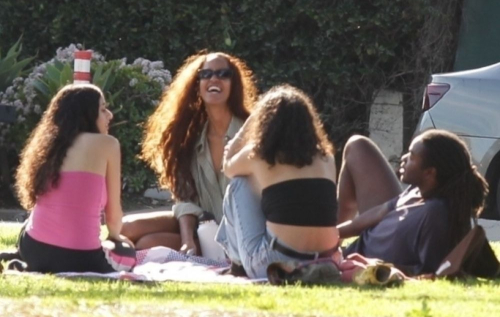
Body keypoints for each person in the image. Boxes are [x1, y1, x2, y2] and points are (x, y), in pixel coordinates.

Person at [121, 51, 258, 253]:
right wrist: (188, 241)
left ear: (234, 84)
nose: (214, 79)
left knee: (146, 245)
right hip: (203, 229)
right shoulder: (188, 138)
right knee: (127, 228)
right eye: (206, 74)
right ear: (197, 84)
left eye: (223, 74)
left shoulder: (252, 132)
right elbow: (185, 198)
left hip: (242, 234)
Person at [215, 85, 339, 279]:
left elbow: (227, 167)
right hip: (326, 260)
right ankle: (237, 261)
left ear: (266, 122)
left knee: (239, 183)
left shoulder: (258, 155)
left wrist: (249, 123)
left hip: (277, 264)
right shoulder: (326, 158)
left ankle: (237, 265)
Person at [15, 84, 135, 273]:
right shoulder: (108, 144)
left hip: (33, 251)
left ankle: (16, 255)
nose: (110, 115)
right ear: (86, 114)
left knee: (29, 224)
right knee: (127, 252)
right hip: (81, 258)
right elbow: (113, 218)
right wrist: (116, 238)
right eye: (103, 109)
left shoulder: (48, 145)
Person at [336, 130, 488, 275]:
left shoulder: (435, 213)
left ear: (429, 172)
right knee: (357, 145)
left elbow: (429, 270)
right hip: (359, 244)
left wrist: (369, 265)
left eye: (412, 156)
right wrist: (330, 235)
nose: (404, 158)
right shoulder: (415, 190)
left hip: (360, 258)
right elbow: (378, 212)